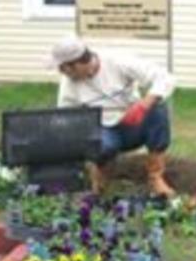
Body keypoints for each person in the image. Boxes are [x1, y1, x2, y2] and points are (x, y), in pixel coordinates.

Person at [51, 36, 176, 196]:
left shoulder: (118, 61)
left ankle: (155, 177)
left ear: (76, 64)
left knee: (157, 108)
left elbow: (164, 77)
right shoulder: (69, 83)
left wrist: (144, 105)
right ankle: (101, 175)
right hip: (103, 130)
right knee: (104, 145)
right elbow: (66, 115)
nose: (61, 73)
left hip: (132, 123)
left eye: (63, 68)